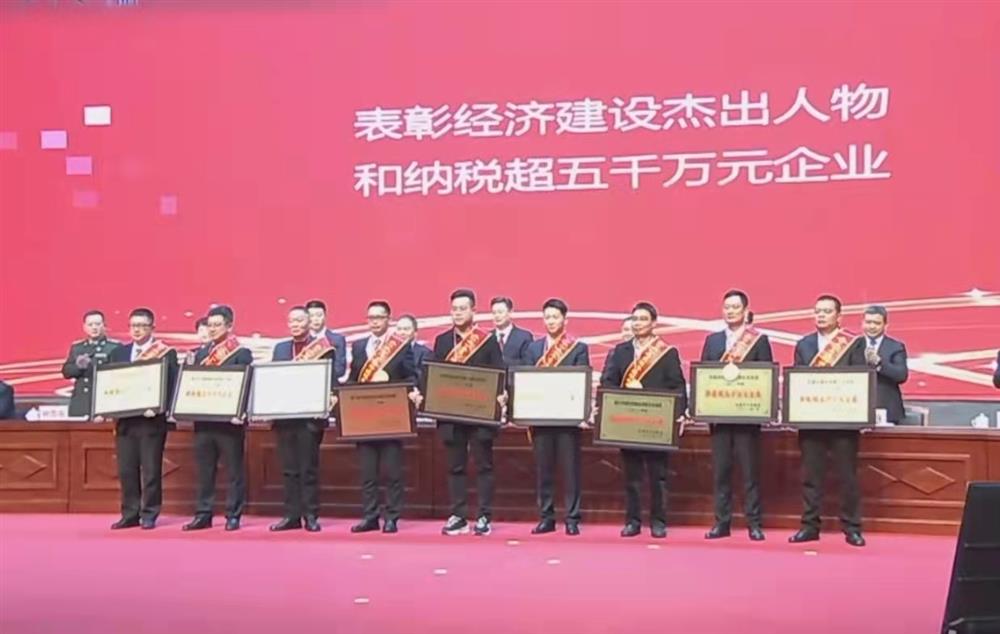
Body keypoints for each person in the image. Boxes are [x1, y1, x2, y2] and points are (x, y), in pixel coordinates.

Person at [600, 302, 687, 539]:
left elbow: (678, 386)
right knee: (632, 477)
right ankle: (633, 522)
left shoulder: (667, 353)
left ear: (653, 323)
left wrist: (677, 415)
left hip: (655, 423)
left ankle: (658, 522)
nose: (638, 323)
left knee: (658, 477)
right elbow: (608, 382)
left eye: (643, 319)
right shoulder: (620, 351)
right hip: (627, 422)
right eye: (635, 319)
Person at [789, 294, 868, 547]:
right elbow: (798, 380)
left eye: (826, 311)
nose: (821, 315)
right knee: (811, 477)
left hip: (843, 420)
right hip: (811, 420)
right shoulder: (804, 345)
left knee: (847, 476)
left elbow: (860, 379)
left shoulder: (853, 344)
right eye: (817, 311)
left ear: (838, 316)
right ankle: (809, 526)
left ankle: (852, 528)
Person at [700, 290, 772, 541]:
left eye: (735, 307)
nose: (730, 311)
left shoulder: (758, 341)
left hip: (747, 418)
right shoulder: (713, 341)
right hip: (720, 418)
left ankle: (754, 523)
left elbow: (765, 376)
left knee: (750, 473)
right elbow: (704, 375)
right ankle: (722, 523)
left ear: (745, 311)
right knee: (721, 473)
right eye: (726, 307)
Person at [431, 289, 505, 536]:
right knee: (455, 467)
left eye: (463, 308)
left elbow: (499, 373)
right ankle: (459, 515)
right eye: (454, 309)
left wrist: (500, 397)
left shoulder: (487, 340)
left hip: (480, 415)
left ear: (474, 311)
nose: (458, 313)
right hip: (451, 415)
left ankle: (484, 516)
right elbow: (433, 374)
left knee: (483, 466)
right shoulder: (442, 341)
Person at [346, 301, 417, 534]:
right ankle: (370, 516)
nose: (374, 322)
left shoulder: (400, 346)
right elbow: (353, 379)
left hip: (391, 417)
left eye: (379, 317)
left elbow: (412, 377)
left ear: (388, 319)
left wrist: (399, 387)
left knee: (392, 472)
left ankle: (392, 517)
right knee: (368, 473)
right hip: (365, 418)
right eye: (371, 318)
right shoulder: (359, 347)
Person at [104, 308, 179, 530]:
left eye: (142, 326)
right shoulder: (119, 353)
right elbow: (110, 383)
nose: (137, 330)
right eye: (133, 326)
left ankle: (150, 513)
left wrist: (158, 407)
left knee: (151, 470)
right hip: (126, 421)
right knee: (126, 470)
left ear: (152, 328)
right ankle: (130, 513)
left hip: (151, 421)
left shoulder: (165, 353)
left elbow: (171, 384)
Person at [183, 305, 254, 532]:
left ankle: (233, 515)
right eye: (210, 325)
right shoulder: (200, 354)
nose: (212, 329)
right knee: (205, 471)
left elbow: (246, 385)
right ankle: (203, 514)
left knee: (234, 471)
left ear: (229, 326)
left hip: (229, 423)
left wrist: (240, 411)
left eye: (217, 325)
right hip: (203, 422)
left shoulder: (241, 353)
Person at [523, 298, 590, 536]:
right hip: (541, 418)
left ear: (565, 320)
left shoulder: (577, 348)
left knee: (570, 471)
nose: (551, 321)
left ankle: (572, 518)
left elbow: (581, 381)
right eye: (547, 317)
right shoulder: (533, 349)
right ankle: (546, 517)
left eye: (555, 317)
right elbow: (526, 381)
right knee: (544, 471)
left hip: (567, 420)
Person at [268, 305, 335, 533]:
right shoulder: (280, 348)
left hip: (309, 419)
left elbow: (330, 380)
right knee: (289, 470)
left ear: (309, 322)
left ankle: (311, 515)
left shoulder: (323, 348)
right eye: (292, 321)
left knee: (308, 469)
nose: (295, 325)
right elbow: (273, 380)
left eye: (299, 320)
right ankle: (291, 515)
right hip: (285, 418)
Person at [60, 310, 121, 417]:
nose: (94, 327)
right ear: (84, 327)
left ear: (104, 325)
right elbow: (66, 372)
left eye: (97, 324)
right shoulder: (77, 348)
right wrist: (78, 367)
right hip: (81, 402)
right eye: (90, 324)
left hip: (103, 401)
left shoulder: (114, 347)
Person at [861, 305, 909, 424]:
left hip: (887, 408)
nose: (872, 326)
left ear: (885, 325)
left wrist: (879, 364)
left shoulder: (895, 347)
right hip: (858, 407)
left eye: (877, 323)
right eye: (868, 322)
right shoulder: (853, 345)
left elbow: (901, 375)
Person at [305, 299, 348, 382]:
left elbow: (340, 370)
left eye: (319, 315)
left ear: (325, 316)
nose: (315, 319)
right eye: (311, 316)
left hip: (329, 383)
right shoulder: (303, 340)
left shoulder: (337, 339)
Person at [491, 296, 532, 366]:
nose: (497, 316)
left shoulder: (524, 337)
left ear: (510, 312)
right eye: (494, 313)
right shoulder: (487, 338)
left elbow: (527, 363)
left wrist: (501, 361)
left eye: (500, 312)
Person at [395, 314, 432, 386]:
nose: (402, 332)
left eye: (406, 329)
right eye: (399, 329)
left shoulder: (425, 353)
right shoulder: (389, 352)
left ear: (415, 332)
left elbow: (424, 378)